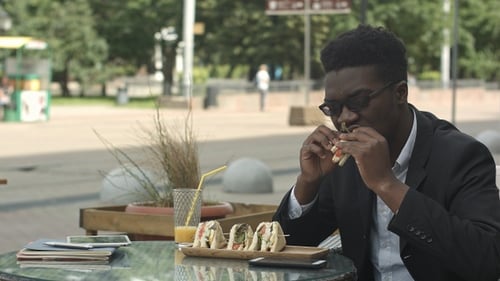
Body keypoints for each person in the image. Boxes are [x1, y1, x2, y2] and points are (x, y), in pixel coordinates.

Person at [272, 25, 500, 281]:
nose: (345, 118)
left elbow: (488, 260)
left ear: (400, 93)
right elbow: (284, 248)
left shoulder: (461, 155)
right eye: (333, 108)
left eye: (359, 101)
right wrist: (307, 184)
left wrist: (386, 185)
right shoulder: (344, 163)